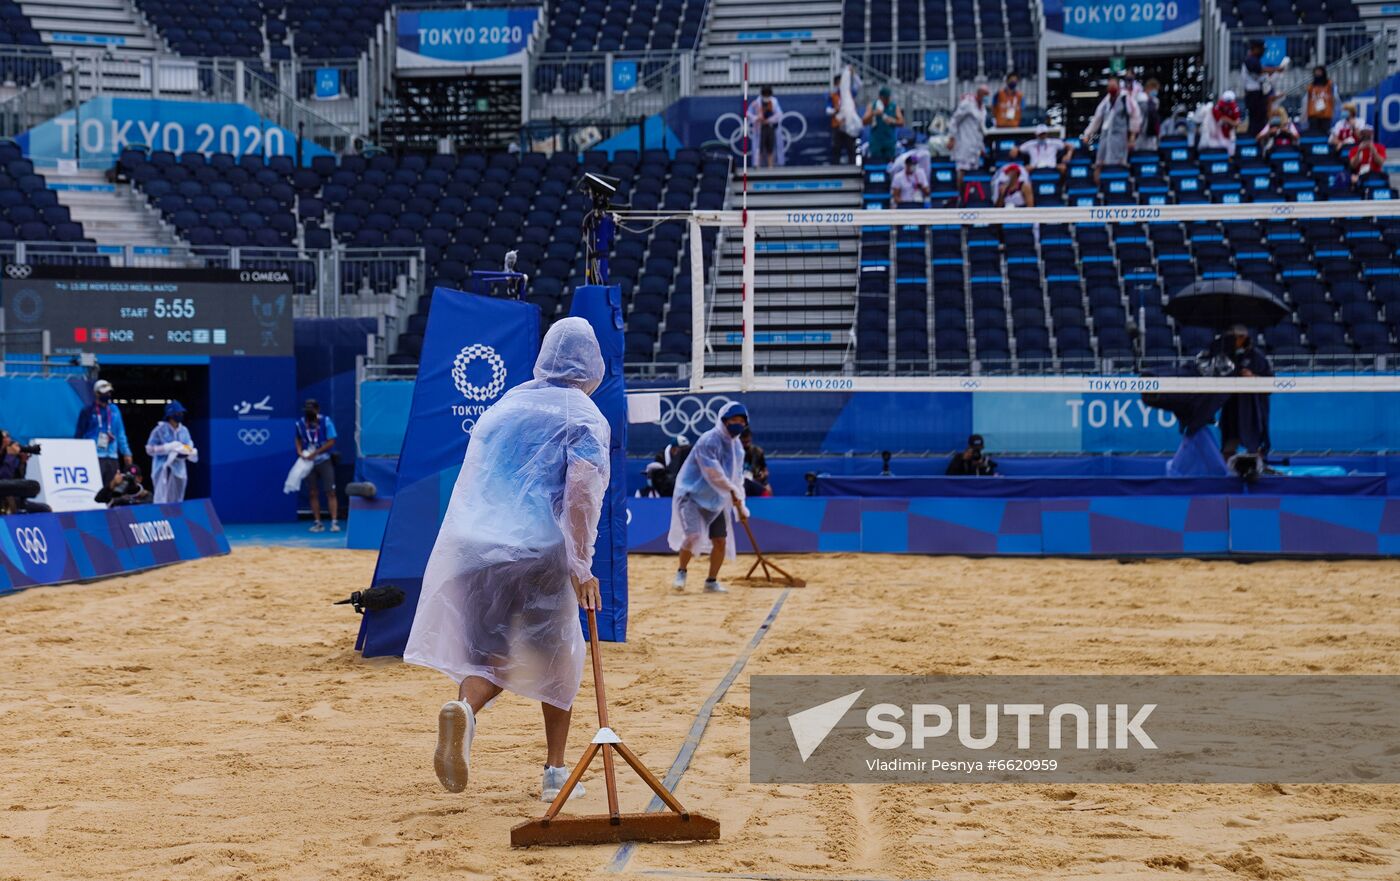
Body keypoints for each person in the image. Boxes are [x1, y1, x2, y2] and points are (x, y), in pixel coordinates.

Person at [404, 317, 610, 800]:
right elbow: (581, 496)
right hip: (536, 548)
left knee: (488, 654)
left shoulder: (507, 405)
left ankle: (465, 712)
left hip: (476, 544)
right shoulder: (584, 416)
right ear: (592, 364)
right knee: (556, 658)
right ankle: (555, 772)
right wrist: (581, 566)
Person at [668, 401, 749, 594]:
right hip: (692, 495)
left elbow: (737, 477)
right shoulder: (708, 440)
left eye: (742, 421)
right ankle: (681, 572)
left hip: (716, 500)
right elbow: (713, 473)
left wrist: (741, 505)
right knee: (693, 536)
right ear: (725, 420)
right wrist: (732, 489)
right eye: (734, 420)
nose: (738, 424)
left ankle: (711, 581)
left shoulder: (738, 448)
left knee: (720, 540)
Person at [1204, 325, 1273, 458]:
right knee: (1228, 447)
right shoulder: (1226, 356)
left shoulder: (1257, 357)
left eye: (1236, 337)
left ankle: (1255, 465)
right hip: (1232, 407)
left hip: (1253, 409)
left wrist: (1253, 377)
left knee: (1254, 448)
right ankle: (1227, 468)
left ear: (1243, 338)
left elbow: (1270, 384)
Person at [75, 378, 132, 488]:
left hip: (112, 455)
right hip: (94, 455)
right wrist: (79, 454)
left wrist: (126, 452)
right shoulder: (87, 411)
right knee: (95, 487)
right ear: (97, 393)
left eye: (109, 392)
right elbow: (79, 434)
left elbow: (120, 433)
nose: (108, 395)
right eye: (105, 393)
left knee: (113, 487)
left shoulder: (114, 410)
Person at [1082, 76, 1141, 181]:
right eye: (1109, 86)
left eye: (1113, 85)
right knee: (1099, 164)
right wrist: (1088, 134)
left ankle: (1119, 185)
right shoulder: (1105, 101)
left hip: (1120, 138)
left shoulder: (1126, 98)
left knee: (1119, 164)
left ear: (1118, 87)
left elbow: (1135, 116)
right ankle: (1100, 187)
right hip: (1105, 137)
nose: (1111, 88)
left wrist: (1132, 136)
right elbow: (1097, 119)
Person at [295, 398, 339, 532]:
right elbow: (297, 438)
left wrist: (317, 452)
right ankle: (318, 522)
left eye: (312, 409)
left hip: (324, 460)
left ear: (317, 409)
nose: (309, 412)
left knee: (330, 491)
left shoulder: (326, 421)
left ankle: (334, 522)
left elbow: (331, 441)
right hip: (309, 462)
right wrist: (299, 452)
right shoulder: (300, 423)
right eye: (307, 410)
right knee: (312, 492)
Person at [145, 400, 198, 504]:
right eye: (178, 413)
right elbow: (149, 449)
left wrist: (186, 451)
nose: (181, 415)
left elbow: (189, 446)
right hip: (162, 468)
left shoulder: (184, 431)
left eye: (181, 413)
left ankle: (175, 514)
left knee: (177, 499)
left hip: (179, 469)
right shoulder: (159, 430)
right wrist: (166, 448)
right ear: (171, 415)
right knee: (161, 499)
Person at [948, 84, 989, 186]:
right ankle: (960, 194)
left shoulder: (983, 109)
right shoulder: (967, 104)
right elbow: (954, 120)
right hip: (964, 143)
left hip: (975, 146)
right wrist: (952, 138)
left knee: (973, 174)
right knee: (962, 171)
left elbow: (980, 129)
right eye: (985, 94)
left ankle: (970, 194)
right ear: (979, 94)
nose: (986, 97)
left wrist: (982, 147)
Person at [1241, 41, 1284, 137]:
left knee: (1261, 118)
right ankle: (1255, 137)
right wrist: (1276, 69)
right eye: (1261, 49)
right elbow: (1258, 70)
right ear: (1256, 49)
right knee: (1256, 118)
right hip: (1253, 94)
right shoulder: (1250, 59)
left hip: (1258, 93)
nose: (1263, 52)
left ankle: (1260, 135)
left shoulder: (1255, 59)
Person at [863, 86, 904, 165]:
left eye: (888, 98)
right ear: (880, 97)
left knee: (890, 164)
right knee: (876, 162)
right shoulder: (872, 106)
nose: (887, 100)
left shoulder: (894, 106)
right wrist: (873, 114)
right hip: (876, 141)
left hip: (889, 141)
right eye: (885, 98)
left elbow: (902, 122)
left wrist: (892, 121)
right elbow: (864, 122)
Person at [826, 73, 858, 165]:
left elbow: (859, 85)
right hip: (837, 125)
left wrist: (853, 74)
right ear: (836, 84)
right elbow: (828, 110)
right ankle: (835, 167)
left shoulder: (850, 93)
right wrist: (835, 110)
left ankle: (853, 166)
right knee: (836, 148)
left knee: (851, 147)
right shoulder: (833, 95)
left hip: (849, 125)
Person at [1197, 91, 1242, 156]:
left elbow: (1237, 123)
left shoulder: (1234, 108)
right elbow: (1219, 120)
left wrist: (1228, 120)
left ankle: (1230, 157)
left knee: (1231, 141)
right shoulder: (1217, 107)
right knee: (1206, 138)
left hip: (1227, 130)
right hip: (1217, 129)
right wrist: (1225, 120)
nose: (1226, 106)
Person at [748, 85, 782, 168]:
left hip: (770, 127)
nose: (766, 97)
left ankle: (770, 166)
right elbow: (748, 113)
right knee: (759, 147)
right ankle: (757, 165)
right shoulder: (756, 103)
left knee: (770, 147)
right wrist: (757, 118)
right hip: (760, 128)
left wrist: (769, 120)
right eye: (765, 95)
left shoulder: (774, 102)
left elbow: (779, 114)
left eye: (768, 95)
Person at [739, 427, 771, 498]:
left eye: (748, 441)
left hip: (756, 481)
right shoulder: (734, 452)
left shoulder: (757, 451)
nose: (746, 444)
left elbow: (765, 471)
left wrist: (763, 475)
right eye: (744, 442)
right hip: (739, 482)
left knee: (768, 489)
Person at [1305, 66, 1337, 135]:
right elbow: (1307, 99)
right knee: (1314, 134)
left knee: (1325, 134)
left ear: (1323, 72)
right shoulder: (1311, 86)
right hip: (1313, 114)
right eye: (1316, 72)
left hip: (1326, 114)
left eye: (1319, 72)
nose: (1317, 73)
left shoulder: (1330, 84)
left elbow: (1335, 97)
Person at [1137, 78, 1162, 152]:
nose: (1156, 92)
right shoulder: (1140, 98)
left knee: (1151, 151)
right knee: (1140, 151)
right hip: (1141, 130)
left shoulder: (1155, 101)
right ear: (1148, 88)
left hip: (1152, 131)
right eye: (1154, 89)